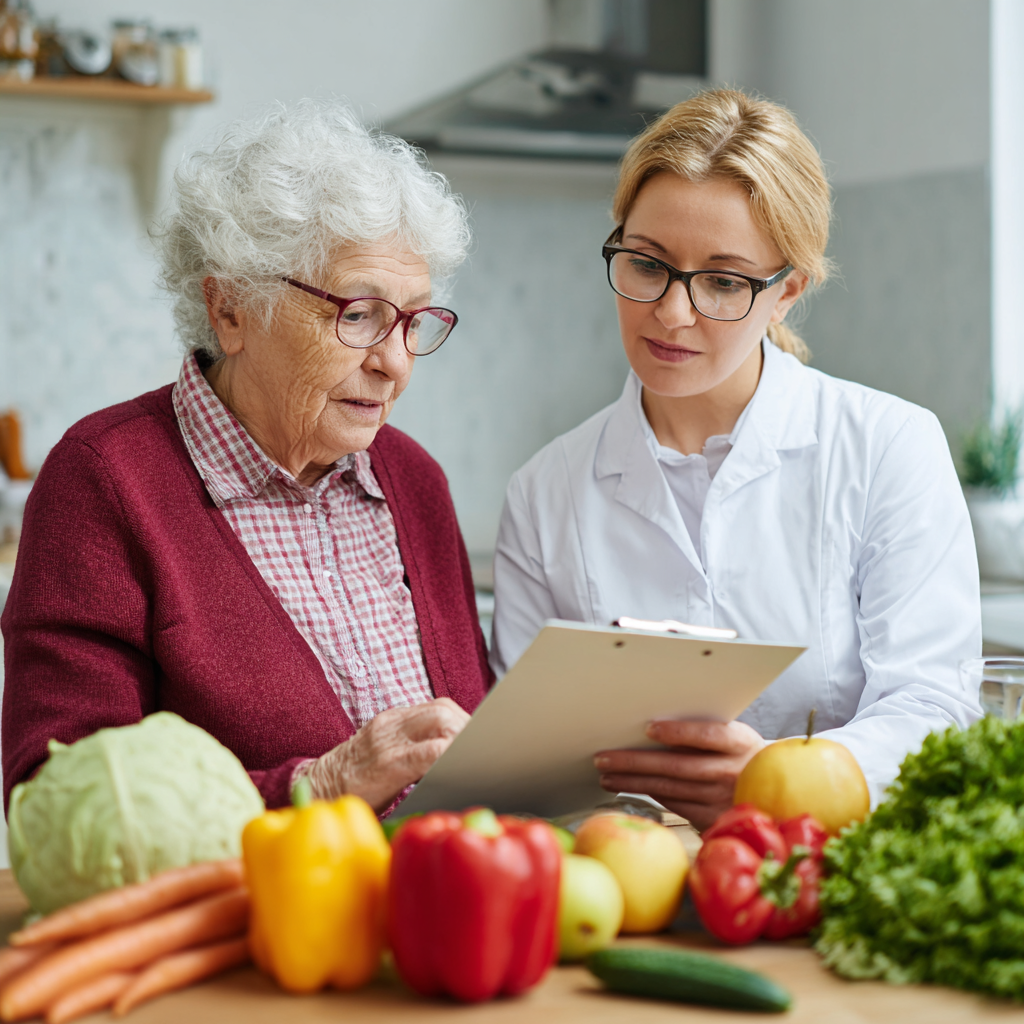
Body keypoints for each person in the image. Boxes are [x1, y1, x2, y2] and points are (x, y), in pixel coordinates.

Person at [491, 89, 982, 830]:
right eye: (648, 264)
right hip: (625, 896)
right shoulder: (544, 493)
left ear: (786, 291)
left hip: (830, 869)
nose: (672, 313)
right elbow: (529, 767)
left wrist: (777, 781)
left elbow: (933, 708)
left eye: (722, 281)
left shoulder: (888, 447)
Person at [2, 101, 487, 813]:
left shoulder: (413, 480)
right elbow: (58, 798)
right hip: (252, 919)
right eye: (358, 314)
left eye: (414, 320)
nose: (394, 363)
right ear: (231, 309)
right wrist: (315, 786)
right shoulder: (104, 480)